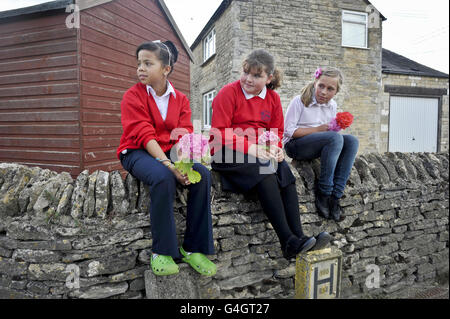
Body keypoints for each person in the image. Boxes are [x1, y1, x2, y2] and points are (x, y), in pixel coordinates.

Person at [210, 49, 331, 260]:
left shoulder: (273, 99)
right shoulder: (228, 93)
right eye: (246, 72)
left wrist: (275, 148)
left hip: (259, 152)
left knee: (284, 172)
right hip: (225, 153)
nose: (248, 79)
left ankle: (299, 237)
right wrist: (253, 148)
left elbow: (276, 131)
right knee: (265, 172)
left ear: (269, 78)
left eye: (256, 75)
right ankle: (287, 241)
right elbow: (219, 132)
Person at [117, 40, 216, 276]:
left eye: (148, 63)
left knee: (201, 175)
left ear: (166, 69)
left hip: (170, 151)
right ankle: (161, 251)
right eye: (139, 63)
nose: (140, 68)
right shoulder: (132, 96)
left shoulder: (180, 99)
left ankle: (192, 249)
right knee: (163, 178)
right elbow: (144, 134)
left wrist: (184, 165)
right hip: (136, 150)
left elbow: (184, 135)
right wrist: (169, 166)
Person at [283, 67, 359, 222]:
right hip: (295, 145)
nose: (324, 92)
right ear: (315, 83)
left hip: (316, 146)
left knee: (352, 141)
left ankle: (335, 196)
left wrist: (334, 128)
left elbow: (330, 136)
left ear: (336, 91)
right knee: (334, 138)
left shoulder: (332, 105)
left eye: (330, 89)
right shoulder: (299, 101)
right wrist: (318, 130)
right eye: (321, 86)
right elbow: (288, 131)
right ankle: (324, 192)